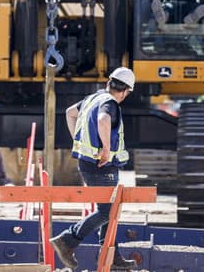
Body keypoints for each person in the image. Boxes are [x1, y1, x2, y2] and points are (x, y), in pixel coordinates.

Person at [49, 67, 137, 271]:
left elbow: (70, 113)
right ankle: (68, 239)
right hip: (101, 165)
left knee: (110, 209)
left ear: (109, 83)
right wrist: (105, 149)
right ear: (126, 91)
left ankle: (112, 255)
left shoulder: (93, 98)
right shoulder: (110, 103)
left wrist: (79, 141)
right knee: (108, 210)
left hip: (89, 163)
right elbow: (103, 120)